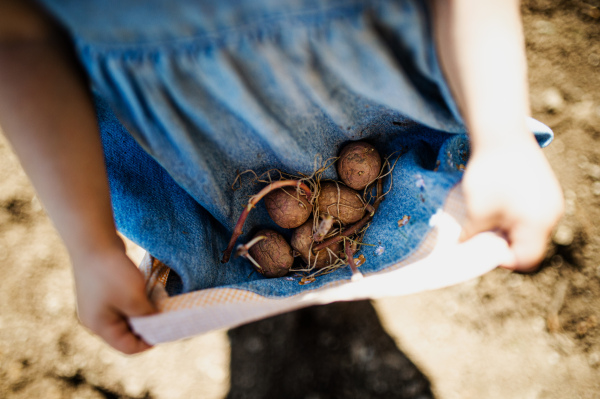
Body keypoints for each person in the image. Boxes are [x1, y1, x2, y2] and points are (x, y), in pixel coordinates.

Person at [0, 0, 563, 354]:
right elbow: (17, 36)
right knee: (241, 254)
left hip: (364, 85)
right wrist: (92, 247)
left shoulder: (333, 188)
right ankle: (274, 295)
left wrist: (501, 135)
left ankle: (330, 282)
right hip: (190, 141)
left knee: (368, 224)